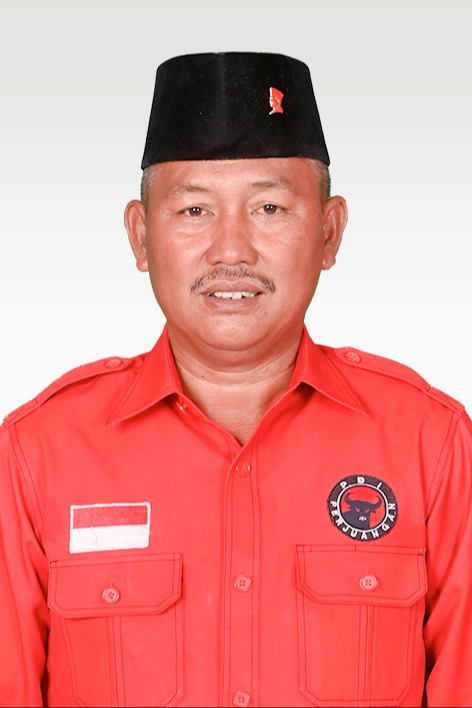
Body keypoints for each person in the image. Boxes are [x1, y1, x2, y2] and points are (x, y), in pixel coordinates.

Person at [0, 51, 471, 708]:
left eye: (269, 207)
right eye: (194, 210)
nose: (231, 250)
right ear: (140, 237)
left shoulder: (432, 444)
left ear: (329, 232)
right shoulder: (37, 453)